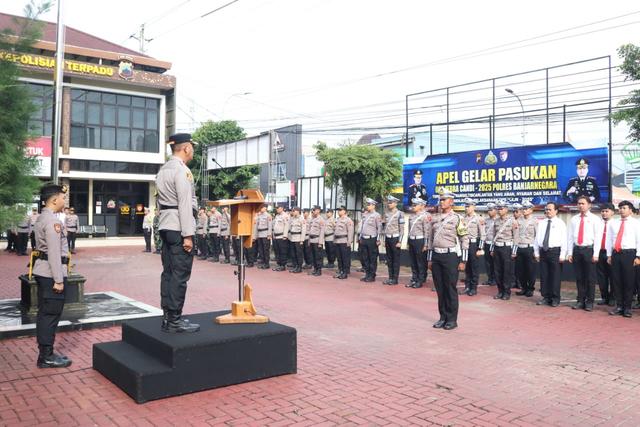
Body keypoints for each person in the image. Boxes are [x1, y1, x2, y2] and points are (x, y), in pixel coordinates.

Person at [156, 133, 200, 333]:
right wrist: (188, 235)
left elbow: (159, 201)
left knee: (168, 273)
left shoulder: (163, 169)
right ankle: (175, 320)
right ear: (186, 148)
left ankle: (167, 317)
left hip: (166, 225)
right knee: (180, 275)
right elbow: (184, 203)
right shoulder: (183, 170)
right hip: (179, 226)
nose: (193, 151)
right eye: (192, 147)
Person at [32, 183, 72, 368]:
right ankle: (46, 356)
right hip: (51, 274)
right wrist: (58, 280)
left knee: (45, 313)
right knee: (50, 315)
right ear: (55, 199)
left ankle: (46, 353)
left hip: (43, 271)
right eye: (63, 198)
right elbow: (54, 252)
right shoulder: (53, 222)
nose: (64, 201)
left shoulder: (42, 217)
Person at [428, 189, 469, 331]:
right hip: (437, 256)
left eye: (444, 199)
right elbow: (430, 239)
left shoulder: (457, 218)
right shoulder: (435, 218)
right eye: (440, 199)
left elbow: (464, 239)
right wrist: (430, 258)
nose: (441, 202)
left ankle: (452, 319)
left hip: (450, 256)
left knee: (450, 288)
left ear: (451, 202)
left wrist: (463, 261)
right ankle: (442, 317)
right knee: (440, 288)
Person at [567, 196, 602, 311]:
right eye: (579, 203)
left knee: (590, 278)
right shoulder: (574, 219)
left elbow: (598, 238)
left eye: (583, 203)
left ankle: (589, 302)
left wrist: (596, 254)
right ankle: (580, 300)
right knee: (579, 277)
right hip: (577, 250)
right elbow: (570, 237)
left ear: (589, 205)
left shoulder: (595, 219)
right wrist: (570, 253)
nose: (580, 205)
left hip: (589, 250)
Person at [606, 200, 640, 318]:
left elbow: (639, 240)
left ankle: (627, 307)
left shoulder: (636, 223)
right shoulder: (613, 223)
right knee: (616, 281)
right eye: (620, 208)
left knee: (629, 281)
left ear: (630, 210)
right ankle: (619, 306)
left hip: (629, 254)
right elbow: (609, 239)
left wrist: (638, 256)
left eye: (624, 208)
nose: (621, 210)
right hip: (616, 254)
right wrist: (609, 255)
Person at [533, 202, 567, 308]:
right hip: (543, 251)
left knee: (555, 276)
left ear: (556, 211)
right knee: (544, 275)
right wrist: (536, 252)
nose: (547, 211)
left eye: (550, 209)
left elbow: (564, 240)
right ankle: (546, 297)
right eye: (546, 209)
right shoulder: (542, 223)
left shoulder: (560, 223)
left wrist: (563, 255)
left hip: (555, 252)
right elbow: (537, 238)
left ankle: (555, 298)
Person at [490, 201, 519, 300]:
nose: (499, 210)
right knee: (497, 271)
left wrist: (514, 251)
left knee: (506, 271)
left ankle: (506, 292)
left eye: (501, 208)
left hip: (507, 248)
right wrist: (492, 249)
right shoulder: (496, 221)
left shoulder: (512, 221)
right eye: (498, 208)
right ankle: (500, 291)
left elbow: (516, 237)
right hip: (497, 247)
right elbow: (494, 236)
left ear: (506, 209)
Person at [461, 198, 485, 296]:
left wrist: (480, 248)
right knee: (466, 267)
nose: (466, 208)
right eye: (466, 206)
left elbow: (482, 235)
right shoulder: (463, 218)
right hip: (465, 244)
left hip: (473, 245)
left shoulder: (479, 219)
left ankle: (473, 288)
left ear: (473, 207)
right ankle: (467, 286)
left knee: (474, 267)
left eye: (468, 206)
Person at [406, 198, 431, 289]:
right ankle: (414, 278)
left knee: (420, 262)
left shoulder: (425, 216)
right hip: (412, 240)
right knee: (413, 261)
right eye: (412, 205)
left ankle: (420, 280)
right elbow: (409, 230)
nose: (413, 207)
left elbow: (426, 231)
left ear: (421, 206)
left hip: (420, 240)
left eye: (415, 205)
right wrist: (408, 242)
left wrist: (426, 244)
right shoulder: (411, 216)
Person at [514, 201, 537, 297]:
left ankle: (530, 289)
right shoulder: (518, 220)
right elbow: (515, 236)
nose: (524, 210)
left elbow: (537, 236)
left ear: (531, 210)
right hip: (520, 247)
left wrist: (536, 251)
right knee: (520, 270)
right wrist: (514, 250)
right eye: (523, 208)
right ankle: (523, 288)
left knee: (530, 270)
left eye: (526, 208)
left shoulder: (535, 221)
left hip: (529, 247)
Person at [359, 198, 383, 283]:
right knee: (365, 258)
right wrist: (360, 237)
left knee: (372, 258)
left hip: (372, 239)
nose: (367, 206)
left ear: (373, 205)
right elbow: (362, 227)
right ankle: (367, 274)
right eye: (367, 204)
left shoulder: (377, 215)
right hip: (364, 238)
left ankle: (372, 275)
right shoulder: (365, 214)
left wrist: (378, 239)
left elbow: (379, 228)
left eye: (369, 204)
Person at [383, 195, 405, 286]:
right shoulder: (386, 213)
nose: (389, 204)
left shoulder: (400, 214)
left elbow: (402, 228)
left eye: (391, 202)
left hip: (395, 239)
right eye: (388, 202)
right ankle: (390, 277)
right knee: (389, 259)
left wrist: (400, 241)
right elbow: (385, 227)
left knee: (395, 259)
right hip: (388, 238)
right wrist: (384, 239)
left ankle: (395, 279)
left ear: (395, 203)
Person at [596, 203, 615, 306]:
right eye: (602, 211)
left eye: (607, 211)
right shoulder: (597, 224)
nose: (604, 213)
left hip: (611, 253)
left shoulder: (616, 224)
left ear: (612, 212)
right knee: (601, 276)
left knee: (613, 276)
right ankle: (604, 297)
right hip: (600, 252)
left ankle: (613, 297)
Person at [334, 206, 354, 279]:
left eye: (340, 210)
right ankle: (340, 271)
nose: (338, 211)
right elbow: (335, 231)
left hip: (344, 241)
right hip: (337, 241)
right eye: (338, 210)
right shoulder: (337, 219)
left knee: (345, 258)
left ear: (344, 211)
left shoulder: (348, 220)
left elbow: (350, 231)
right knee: (339, 258)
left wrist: (349, 241)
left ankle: (345, 272)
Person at [307, 206, 325, 276]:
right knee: (313, 256)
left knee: (318, 256)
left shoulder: (321, 220)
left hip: (317, 240)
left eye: (314, 210)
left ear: (318, 211)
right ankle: (315, 269)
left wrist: (320, 242)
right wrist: (309, 240)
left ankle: (319, 270)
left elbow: (322, 231)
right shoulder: (312, 219)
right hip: (312, 240)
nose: (313, 211)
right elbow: (310, 231)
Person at [253, 204, 273, 269]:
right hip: (259, 234)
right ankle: (263, 262)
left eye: (262, 207)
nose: (260, 209)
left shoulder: (268, 215)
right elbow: (256, 226)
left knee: (266, 250)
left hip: (265, 234)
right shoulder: (259, 215)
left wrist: (269, 234)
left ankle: (266, 263)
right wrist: (255, 235)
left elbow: (270, 225)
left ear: (265, 208)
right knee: (261, 250)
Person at [482, 202, 497, 286]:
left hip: (494, 244)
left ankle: (495, 279)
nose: (489, 212)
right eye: (488, 210)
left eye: (491, 210)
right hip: (487, 243)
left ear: (495, 210)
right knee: (487, 263)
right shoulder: (486, 220)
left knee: (495, 263)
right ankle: (490, 278)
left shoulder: (498, 220)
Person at [288, 207, 306, 273]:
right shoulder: (292, 218)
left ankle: (299, 267)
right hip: (292, 238)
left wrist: (302, 240)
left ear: (298, 211)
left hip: (298, 238)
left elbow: (303, 230)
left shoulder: (302, 219)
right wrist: (289, 238)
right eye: (292, 211)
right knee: (293, 254)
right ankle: (295, 266)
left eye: (294, 211)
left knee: (299, 254)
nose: (293, 212)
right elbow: (290, 229)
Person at [272, 205, 289, 271]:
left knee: (282, 251)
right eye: (276, 208)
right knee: (277, 251)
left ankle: (283, 265)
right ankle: (279, 264)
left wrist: (285, 235)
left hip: (281, 236)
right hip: (276, 236)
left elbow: (286, 226)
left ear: (282, 208)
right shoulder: (277, 216)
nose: (277, 209)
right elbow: (275, 226)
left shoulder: (285, 216)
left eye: (278, 208)